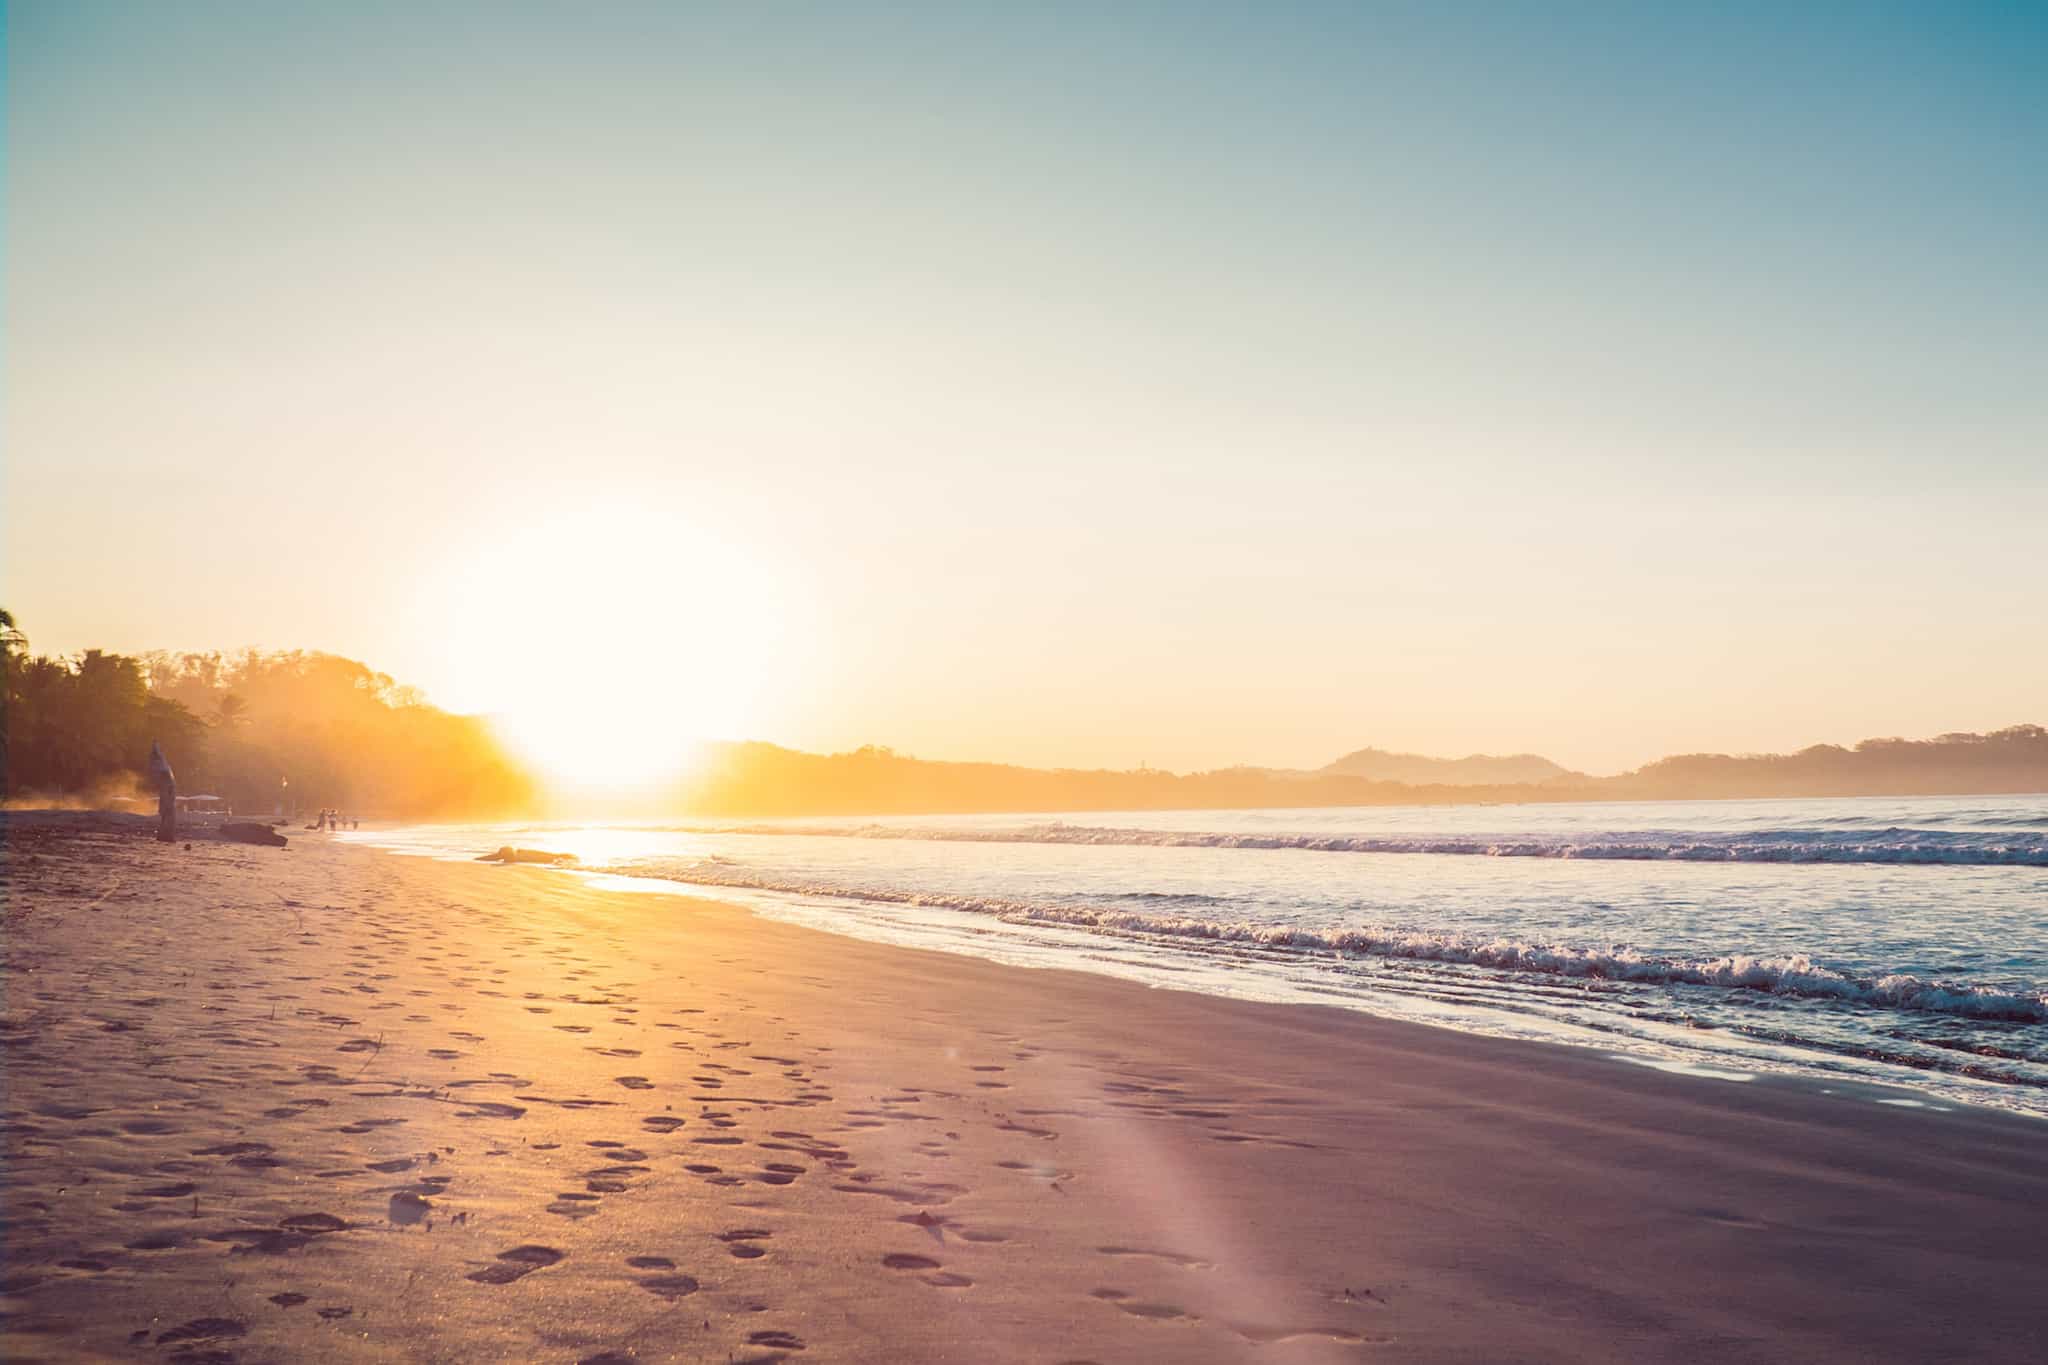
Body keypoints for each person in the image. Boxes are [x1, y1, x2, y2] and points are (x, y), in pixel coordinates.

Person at [147, 741, 176, 842]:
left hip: (168, 794)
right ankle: (165, 835)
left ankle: (165, 835)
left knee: (166, 815)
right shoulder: (164, 769)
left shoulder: (164, 771)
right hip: (168, 794)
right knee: (166, 815)